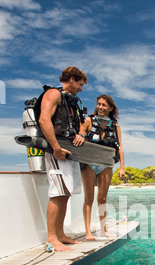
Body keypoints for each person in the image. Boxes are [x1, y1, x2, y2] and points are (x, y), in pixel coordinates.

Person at [38, 66, 88, 251]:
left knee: (65, 194)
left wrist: (80, 135)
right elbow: (44, 120)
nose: (81, 89)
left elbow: (82, 125)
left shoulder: (71, 101)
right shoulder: (53, 93)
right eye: (80, 84)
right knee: (57, 193)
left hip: (69, 152)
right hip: (56, 151)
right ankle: (51, 237)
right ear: (72, 79)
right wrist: (56, 148)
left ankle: (60, 234)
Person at [79, 94, 125, 240]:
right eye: (98, 104)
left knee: (102, 199)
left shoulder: (115, 125)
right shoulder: (88, 121)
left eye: (104, 105)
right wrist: (79, 135)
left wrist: (122, 167)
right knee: (89, 198)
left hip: (106, 164)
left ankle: (104, 230)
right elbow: (80, 135)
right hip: (89, 164)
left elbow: (120, 147)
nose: (100, 107)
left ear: (110, 108)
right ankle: (87, 232)